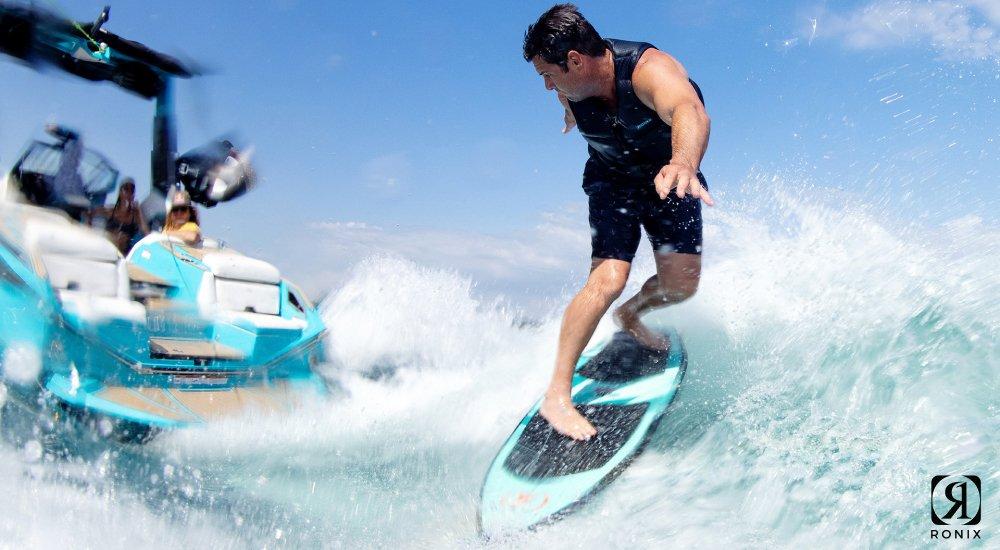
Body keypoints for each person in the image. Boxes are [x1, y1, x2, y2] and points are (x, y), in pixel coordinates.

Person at [523, 4, 715, 441]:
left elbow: (689, 110)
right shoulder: (570, 85)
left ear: (575, 60)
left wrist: (683, 161)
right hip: (612, 181)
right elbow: (568, 97)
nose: (548, 85)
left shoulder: (648, 70)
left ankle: (631, 315)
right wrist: (571, 112)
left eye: (548, 75)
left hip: (670, 177)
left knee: (681, 286)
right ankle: (557, 394)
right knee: (608, 278)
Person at [101, 178, 149, 254]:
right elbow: (89, 214)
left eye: (132, 190)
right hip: (107, 248)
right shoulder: (110, 211)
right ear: (120, 193)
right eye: (126, 189)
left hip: (124, 253)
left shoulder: (136, 216)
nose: (129, 193)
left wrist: (139, 211)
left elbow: (147, 234)